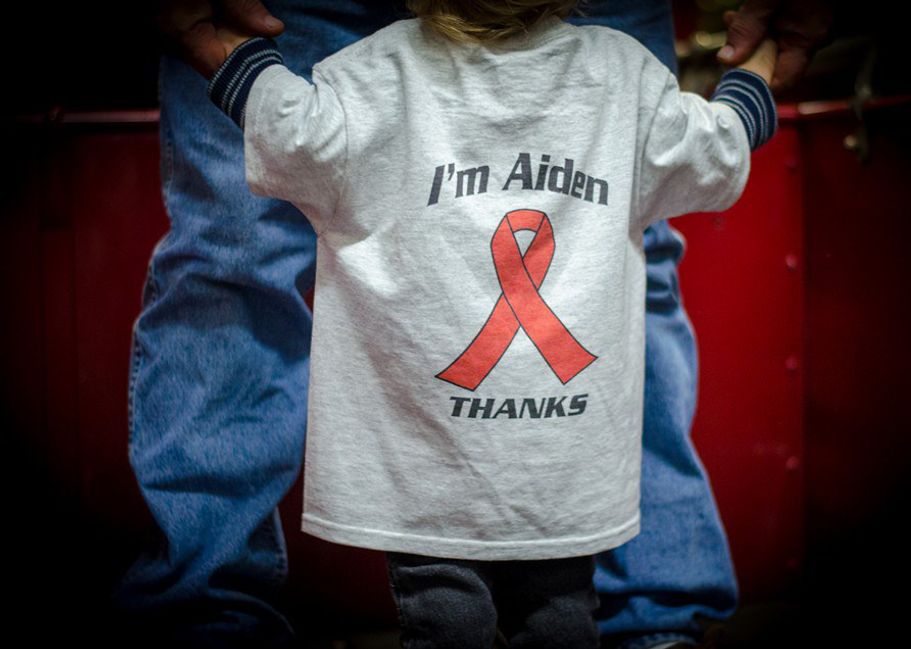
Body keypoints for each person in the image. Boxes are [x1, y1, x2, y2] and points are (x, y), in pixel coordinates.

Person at [110, 1, 830, 648]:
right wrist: (760, 66)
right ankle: (653, 620)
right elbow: (720, 142)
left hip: (424, 476)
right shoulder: (626, 78)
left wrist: (213, 45)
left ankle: (207, 618)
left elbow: (286, 127)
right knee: (559, 613)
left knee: (233, 267)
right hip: (566, 474)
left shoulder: (369, 76)